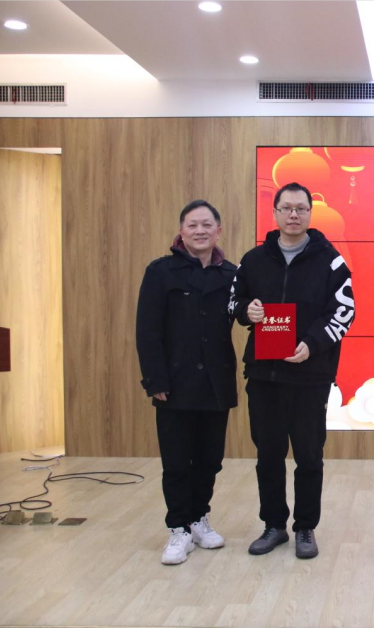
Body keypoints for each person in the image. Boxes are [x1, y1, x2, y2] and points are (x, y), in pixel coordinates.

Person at [228, 182, 355, 559]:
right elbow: (233, 301)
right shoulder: (253, 260)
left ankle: (305, 528)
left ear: (310, 214)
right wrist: (246, 311)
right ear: (275, 213)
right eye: (286, 208)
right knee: (268, 455)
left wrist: (312, 344)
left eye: (301, 208)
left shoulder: (331, 261)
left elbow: (344, 312)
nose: (293, 215)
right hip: (264, 377)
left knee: (309, 456)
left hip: (310, 378)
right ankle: (273, 526)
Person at [136, 200, 238, 565]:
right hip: (174, 383)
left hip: (215, 382)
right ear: (181, 231)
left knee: (210, 460)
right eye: (192, 225)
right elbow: (147, 330)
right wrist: (155, 379)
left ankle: (198, 518)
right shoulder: (160, 271)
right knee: (177, 461)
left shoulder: (231, 274)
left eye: (207, 224)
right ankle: (178, 528)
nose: (200, 231)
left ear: (218, 231)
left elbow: (246, 314)